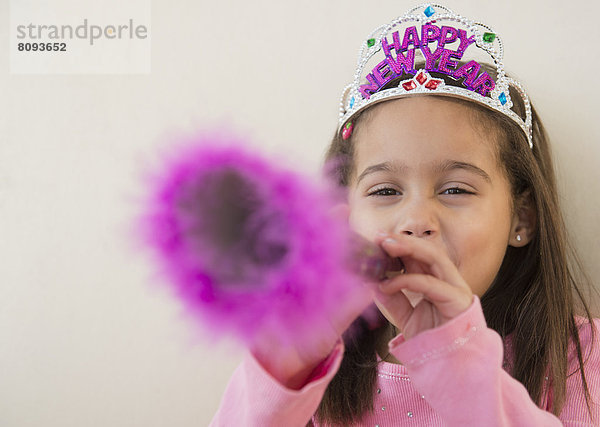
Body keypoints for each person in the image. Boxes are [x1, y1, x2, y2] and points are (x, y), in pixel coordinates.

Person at [210, 4, 599, 425]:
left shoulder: (585, 361)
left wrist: (456, 360)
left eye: (454, 189)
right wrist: (285, 366)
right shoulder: (301, 366)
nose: (416, 220)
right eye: (385, 190)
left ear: (521, 220)